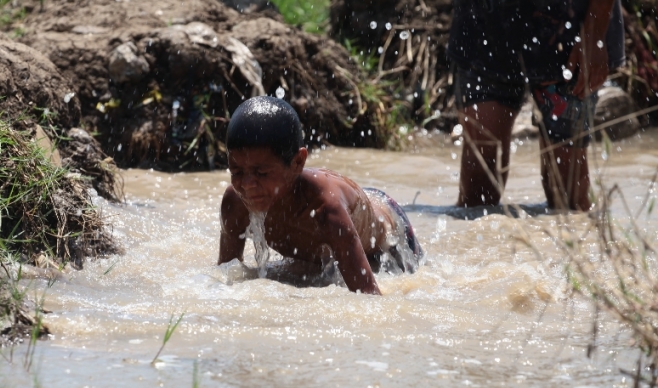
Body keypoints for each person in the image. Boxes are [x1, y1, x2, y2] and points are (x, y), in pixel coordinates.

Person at [217, 96, 423, 295]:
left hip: (387, 232)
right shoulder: (235, 203)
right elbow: (227, 276)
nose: (247, 185)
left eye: (261, 173)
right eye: (237, 172)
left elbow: (368, 298)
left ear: (298, 163)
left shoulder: (326, 211)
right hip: (349, 203)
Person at [448, 0, 625, 211]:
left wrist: (594, 33)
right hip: (485, 24)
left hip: (569, 27)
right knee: (477, 192)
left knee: (566, 195)